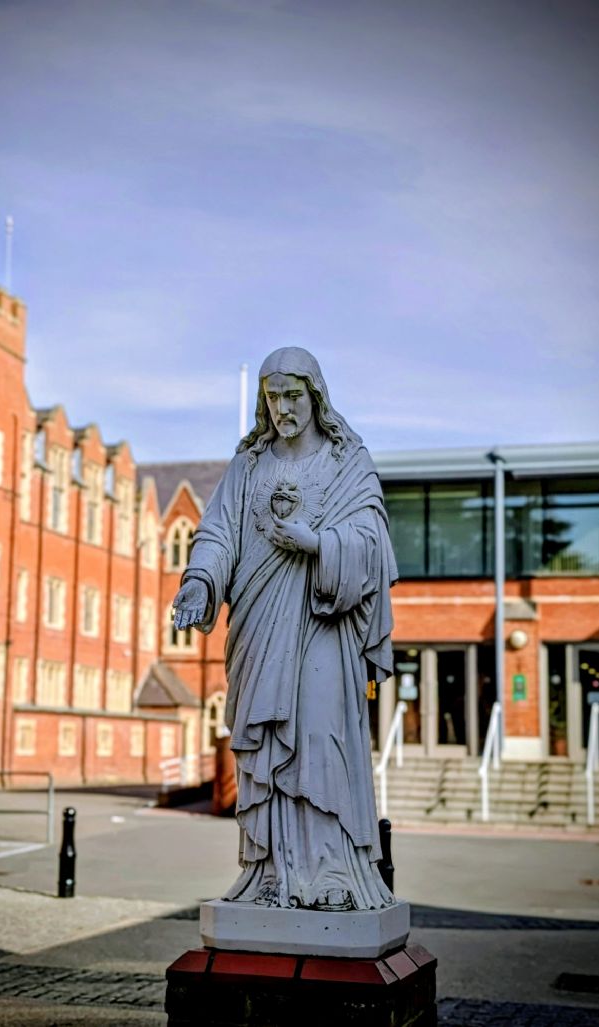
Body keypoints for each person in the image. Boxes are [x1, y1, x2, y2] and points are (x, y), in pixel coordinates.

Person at [172, 347, 397, 911]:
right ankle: (268, 872)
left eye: (294, 395)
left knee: (320, 741)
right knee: (266, 747)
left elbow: (372, 546)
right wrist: (200, 581)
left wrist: (317, 543)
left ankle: (333, 873)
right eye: (273, 397)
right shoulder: (248, 465)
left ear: (316, 396)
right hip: (259, 626)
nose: (283, 408)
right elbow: (218, 533)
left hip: (323, 624)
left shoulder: (348, 462)